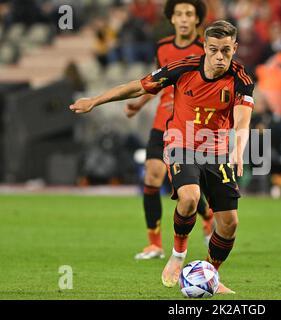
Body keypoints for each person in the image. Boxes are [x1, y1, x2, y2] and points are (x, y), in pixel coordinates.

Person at [69, 20, 254, 294]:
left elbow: (241, 123)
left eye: (226, 51)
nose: (219, 57)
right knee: (190, 197)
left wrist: (238, 152)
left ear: (234, 48)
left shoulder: (241, 79)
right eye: (213, 49)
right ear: (204, 46)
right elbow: (138, 87)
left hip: (216, 152)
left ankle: (209, 274)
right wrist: (96, 100)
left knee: (229, 224)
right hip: (181, 144)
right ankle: (178, 254)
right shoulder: (184, 68)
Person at [124, 0, 215, 260]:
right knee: (152, 175)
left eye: (189, 14)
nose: (184, 19)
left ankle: (207, 215)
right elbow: (157, 82)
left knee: (187, 187)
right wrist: (139, 105)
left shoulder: (206, 49)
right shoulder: (163, 47)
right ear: (171, 19)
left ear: (197, 19)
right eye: (179, 14)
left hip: (190, 124)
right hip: (163, 120)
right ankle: (154, 244)